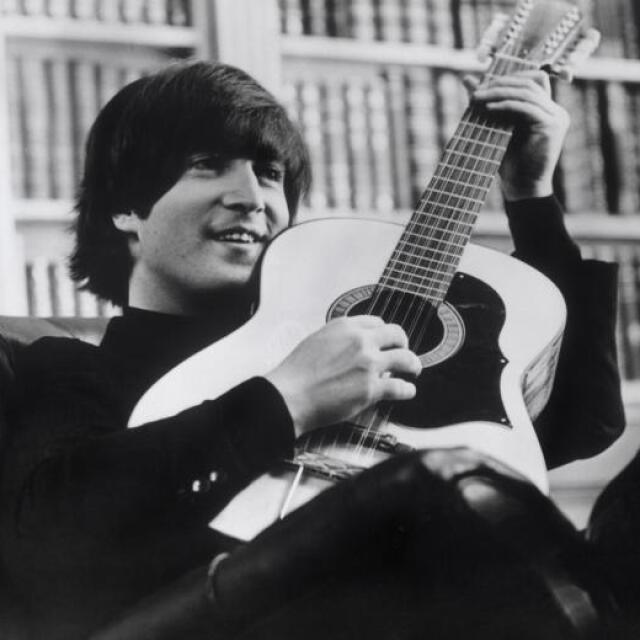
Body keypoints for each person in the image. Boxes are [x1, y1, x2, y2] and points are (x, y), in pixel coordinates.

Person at [0, 60, 624, 639]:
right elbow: (51, 535)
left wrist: (532, 197)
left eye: (270, 174)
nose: (251, 196)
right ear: (124, 209)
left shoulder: (349, 348)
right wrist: (287, 399)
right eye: (207, 164)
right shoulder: (66, 370)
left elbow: (582, 421)